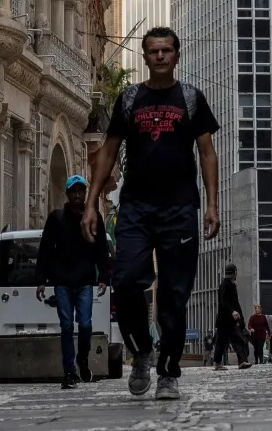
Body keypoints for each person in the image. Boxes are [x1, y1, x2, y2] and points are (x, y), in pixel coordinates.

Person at [82, 26, 221, 401]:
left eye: (167, 50)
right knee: (126, 282)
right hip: (136, 210)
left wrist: (212, 203)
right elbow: (108, 151)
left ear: (177, 55)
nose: (160, 56)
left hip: (179, 210)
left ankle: (168, 373)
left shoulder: (191, 98)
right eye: (154, 51)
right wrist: (92, 202)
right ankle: (142, 351)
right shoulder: (129, 99)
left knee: (174, 297)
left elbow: (207, 152)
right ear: (144, 57)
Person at [36, 174, 110, 388]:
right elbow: (46, 249)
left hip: (85, 281)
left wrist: (103, 277)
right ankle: (69, 372)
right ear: (67, 194)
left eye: (81, 190)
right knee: (66, 326)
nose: (77, 195)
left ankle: (83, 358)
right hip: (62, 282)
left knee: (85, 324)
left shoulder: (93, 217)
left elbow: (101, 249)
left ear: (85, 193)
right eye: (73, 191)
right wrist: (41, 279)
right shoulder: (56, 218)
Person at [212, 264, 251, 368]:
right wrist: (232, 311)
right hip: (224, 320)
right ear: (234, 273)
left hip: (231, 321)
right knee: (221, 342)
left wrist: (241, 319)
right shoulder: (225, 285)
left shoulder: (231, 285)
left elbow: (236, 303)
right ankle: (217, 363)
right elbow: (224, 302)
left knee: (237, 340)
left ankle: (241, 361)